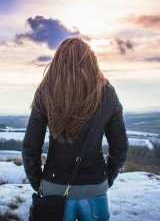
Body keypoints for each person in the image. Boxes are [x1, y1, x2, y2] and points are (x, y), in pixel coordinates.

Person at [22, 37, 128, 221]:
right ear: (91, 61)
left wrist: (40, 183)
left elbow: (30, 147)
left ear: (58, 61)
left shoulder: (46, 91)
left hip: (53, 187)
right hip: (95, 185)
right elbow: (120, 147)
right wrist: (105, 179)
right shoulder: (107, 93)